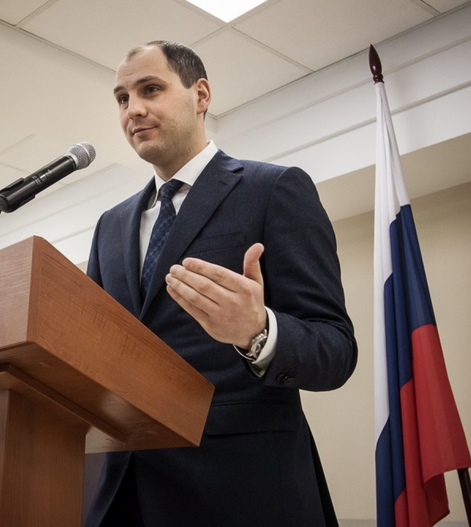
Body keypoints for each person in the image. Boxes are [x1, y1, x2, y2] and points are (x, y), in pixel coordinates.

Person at [83, 41, 357, 526]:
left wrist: (258, 331)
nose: (133, 109)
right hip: (124, 492)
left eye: (150, 89)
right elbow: (93, 345)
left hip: (242, 490)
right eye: (122, 98)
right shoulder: (110, 224)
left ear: (201, 94)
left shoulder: (274, 189)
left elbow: (335, 350)